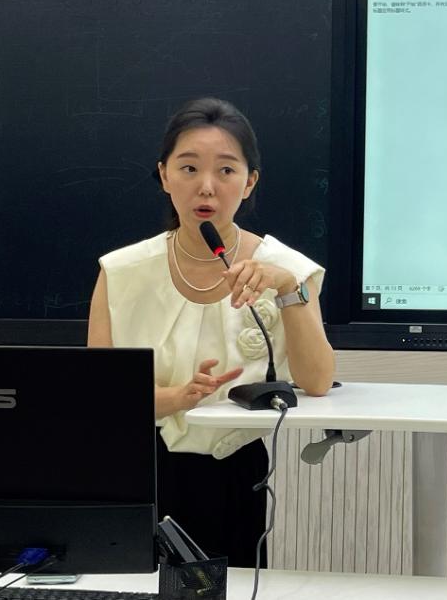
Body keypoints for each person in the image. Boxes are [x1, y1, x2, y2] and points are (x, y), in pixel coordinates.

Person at [87, 97, 335, 568]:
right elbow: (103, 398)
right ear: (164, 176)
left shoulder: (285, 269)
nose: (206, 186)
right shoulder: (121, 272)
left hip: (236, 472)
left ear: (249, 181)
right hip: (141, 468)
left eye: (225, 170)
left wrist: (288, 290)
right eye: (188, 168)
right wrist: (179, 397)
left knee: (231, 588)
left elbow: (318, 381)